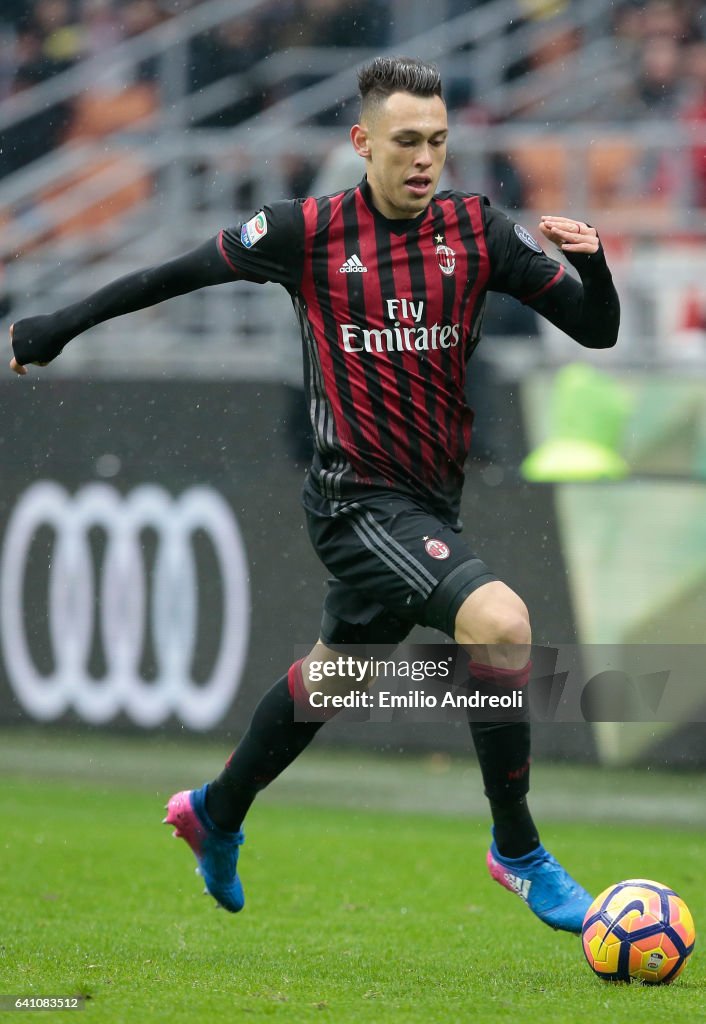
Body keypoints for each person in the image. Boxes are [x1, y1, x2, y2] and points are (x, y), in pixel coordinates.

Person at [8, 56, 619, 933]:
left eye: (438, 143)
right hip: (355, 503)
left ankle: (215, 812)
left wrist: (594, 265)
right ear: (362, 142)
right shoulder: (306, 230)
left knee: (334, 678)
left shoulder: (476, 231)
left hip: (429, 505)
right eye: (406, 142)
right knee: (502, 624)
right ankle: (517, 851)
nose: (424, 160)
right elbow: (175, 274)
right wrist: (56, 327)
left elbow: (596, 330)